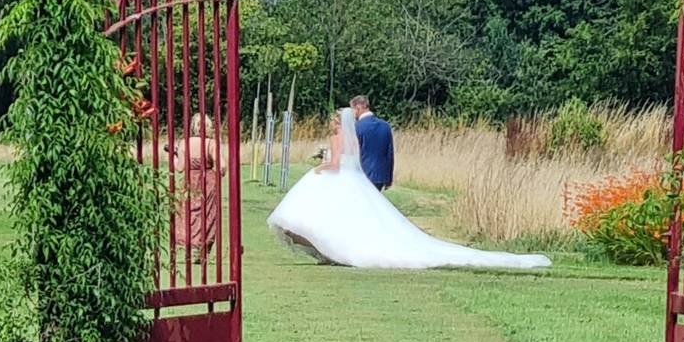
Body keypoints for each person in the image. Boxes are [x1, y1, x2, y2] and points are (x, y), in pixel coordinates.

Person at [266, 108, 551, 269]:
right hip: (358, 178)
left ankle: (333, 251)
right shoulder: (368, 131)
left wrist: (319, 167)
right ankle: (329, 251)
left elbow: (337, 161)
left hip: (343, 176)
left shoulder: (339, 136)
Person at [167, 113, 225, 262]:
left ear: (193, 126)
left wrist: (174, 156)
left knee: (188, 214)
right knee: (209, 216)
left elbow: (180, 168)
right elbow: (222, 166)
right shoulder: (211, 144)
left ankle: (188, 247)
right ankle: (203, 251)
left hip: (190, 182)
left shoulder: (184, 143)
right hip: (208, 183)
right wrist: (219, 173)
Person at [351, 95, 393, 191]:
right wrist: (389, 178)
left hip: (361, 174)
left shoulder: (357, 127)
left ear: (357, 108)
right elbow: (389, 153)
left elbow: (354, 151)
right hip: (380, 175)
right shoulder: (385, 126)